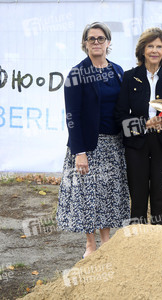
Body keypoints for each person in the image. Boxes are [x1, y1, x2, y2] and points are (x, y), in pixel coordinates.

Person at [57, 22, 130, 258]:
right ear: (85, 44)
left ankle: (106, 241)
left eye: (100, 38)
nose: (96, 42)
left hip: (114, 144)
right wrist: (80, 152)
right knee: (88, 195)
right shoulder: (77, 73)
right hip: (88, 146)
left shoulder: (118, 71)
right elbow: (72, 116)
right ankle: (90, 244)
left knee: (107, 192)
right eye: (91, 39)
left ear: (109, 43)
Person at [114, 28, 162, 225]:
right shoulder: (130, 77)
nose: (155, 50)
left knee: (161, 198)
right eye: (150, 46)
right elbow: (119, 116)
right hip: (136, 145)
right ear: (143, 50)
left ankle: (159, 243)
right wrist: (144, 124)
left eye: (159, 47)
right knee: (137, 197)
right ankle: (137, 244)